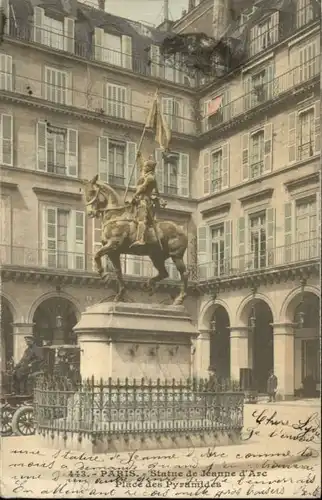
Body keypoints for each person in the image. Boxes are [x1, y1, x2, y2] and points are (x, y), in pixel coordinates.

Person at [130, 151, 161, 248]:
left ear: (149, 168)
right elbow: (141, 166)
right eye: (144, 166)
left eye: (146, 166)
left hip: (145, 200)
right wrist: (139, 157)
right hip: (139, 199)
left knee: (141, 219)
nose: (143, 167)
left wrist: (135, 195)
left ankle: (141, 240)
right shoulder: (146, 174)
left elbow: (142, 188)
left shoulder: (150, 178)